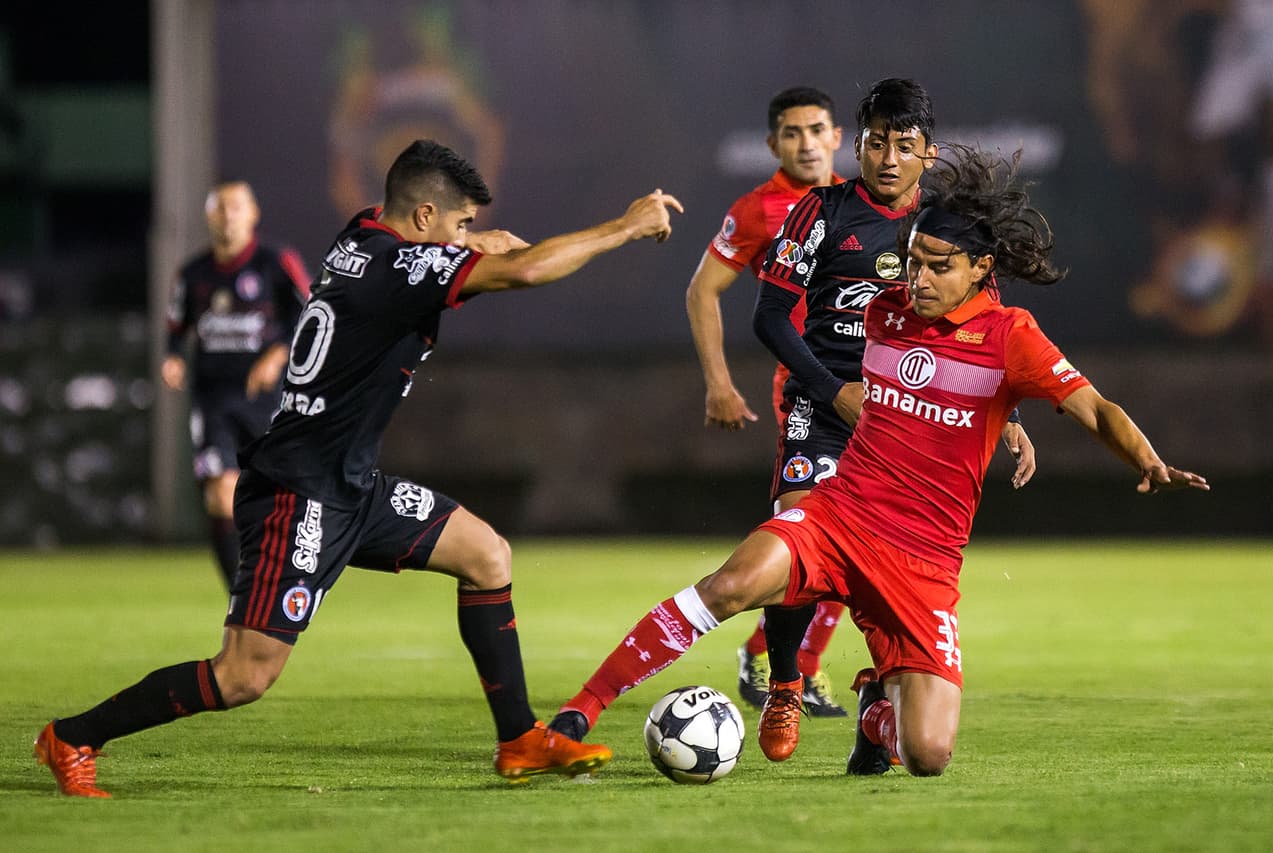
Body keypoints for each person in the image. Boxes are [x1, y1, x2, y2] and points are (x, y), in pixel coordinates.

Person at [34, 140, 683, 797]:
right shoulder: (399, 269)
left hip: (352, 484)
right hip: (299, 493)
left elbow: (431, 247)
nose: (464, 236)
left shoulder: (362, 234)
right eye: (458, 223)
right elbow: (526, 271)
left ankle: (519, 739)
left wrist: (468, 238)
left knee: (486, 554)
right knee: (244, 675)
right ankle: (73, 736)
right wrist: (624, 227)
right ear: (424, 217)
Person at [547, 144, 1207, 779]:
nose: (918, 279)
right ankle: (576, 716)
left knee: (928, 754)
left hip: (924, 560)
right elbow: (837, 345)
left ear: (982, 268)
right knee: (729, 585)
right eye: (913, 262)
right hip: (841, 515)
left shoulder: (1012, 337)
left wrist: (1146, 460)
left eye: (939, 266)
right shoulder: (887, 312)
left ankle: (875, 713)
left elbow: (1096, 408)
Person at [748, 79, 1037, 755]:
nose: (888, 158)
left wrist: (1010, 414)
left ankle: (879, 695)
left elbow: (986, 330)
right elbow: (769, 316)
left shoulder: (948, 228)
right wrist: (832, 390)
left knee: (892, 565)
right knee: (795, 530)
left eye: (904, 145)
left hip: (913, 423)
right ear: (858, 146)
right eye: (877, 143)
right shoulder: (822, 211)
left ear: (928, 153)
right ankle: (787, 681)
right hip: (824, 410)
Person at [685, 86, 854, 716]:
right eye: (792, 132)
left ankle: (781, 657)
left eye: (816, 130)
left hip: (877, 393)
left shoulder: (858, 204)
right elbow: (703, 291)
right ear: (773, 144)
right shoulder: (759, 210)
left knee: (858, 536)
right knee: (818, 528)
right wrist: (718, 383)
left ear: (837, 137)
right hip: (810, 393)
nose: (806, 143)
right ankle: (785, 665)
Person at [163, 180, 312, 589]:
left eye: (236, 207)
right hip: (212, 399)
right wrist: (173, 357)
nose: (228, 216)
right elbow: (176, 327)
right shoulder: (193, 273)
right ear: (208, 216)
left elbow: (311, 314)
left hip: (268, 400)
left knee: (276, 496)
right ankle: (240, 593)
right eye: (220, 208)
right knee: (220, 492)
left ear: (253, 214)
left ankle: (284, 580)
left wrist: (277, 355)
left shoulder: (276, 262)